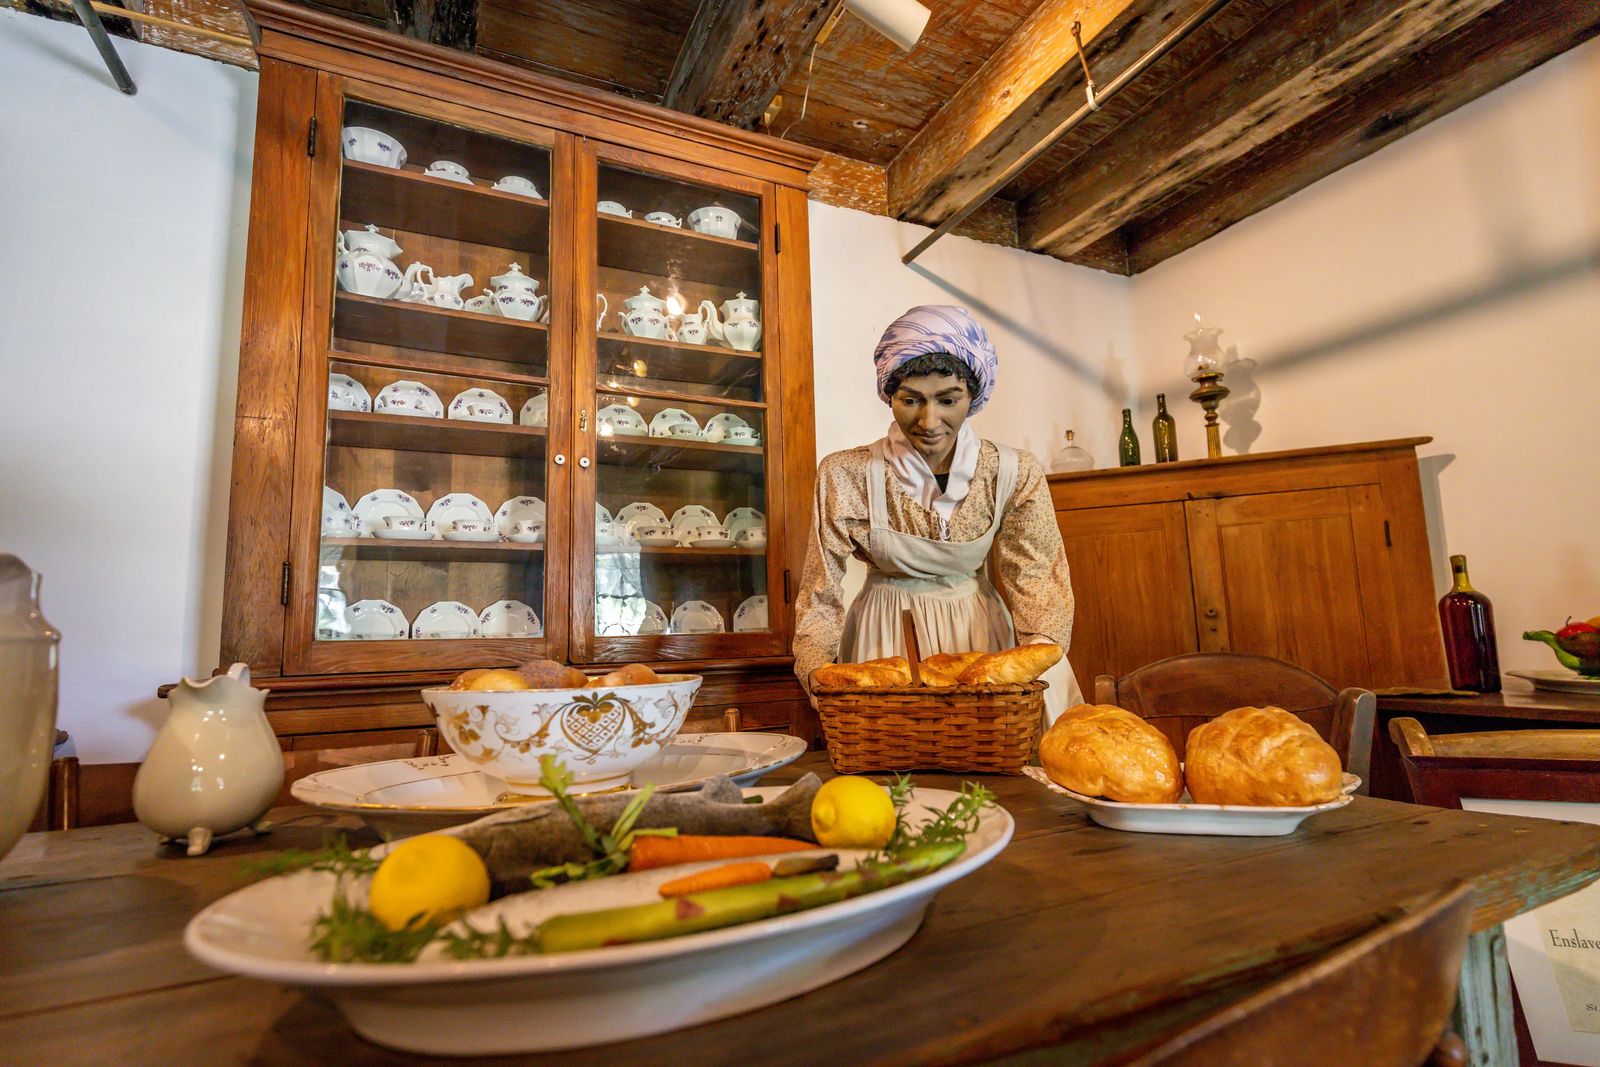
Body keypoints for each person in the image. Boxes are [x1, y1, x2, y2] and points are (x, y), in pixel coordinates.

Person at [792, 304, 1083, 725]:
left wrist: (1034, 661)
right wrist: (818, 672)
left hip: (981, 638)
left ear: (974, 397)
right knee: (893, 763)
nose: (929, 421)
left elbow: (1037, 580)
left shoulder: (1012, 472)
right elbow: (821, 591)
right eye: (911, 400)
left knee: (986, 758)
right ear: (889, 396)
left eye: (948, 400)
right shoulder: (846, 473)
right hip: (883, 639)